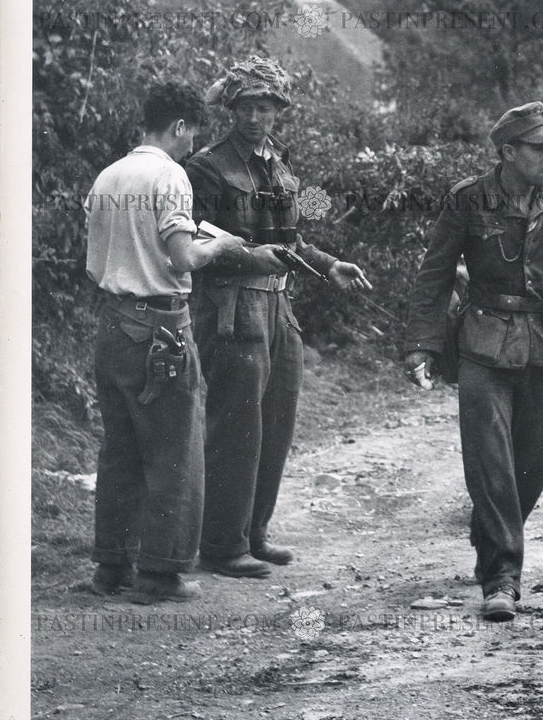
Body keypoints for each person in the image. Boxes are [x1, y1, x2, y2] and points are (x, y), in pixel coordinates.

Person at [402, 101, 543, 621]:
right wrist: (422, 344)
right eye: (539, 148)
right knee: (491, 460)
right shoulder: (468, 199)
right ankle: (501, 577)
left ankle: (489, 529)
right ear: (507, 152)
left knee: (533, 464)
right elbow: (434, 275)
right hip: (484, 343)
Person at [185, 56, 372, 580]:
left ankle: (254, 533)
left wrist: (329, 264)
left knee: (277, 423)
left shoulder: (280, 163)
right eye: (246, 106)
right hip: (231, 309)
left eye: (265, 107)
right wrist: (250, 258)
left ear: (278, 110)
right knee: (237, 426)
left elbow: (291, 242)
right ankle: (221, 544)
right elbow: (192, 242)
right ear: (232, 109)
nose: (254, 117)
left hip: (279, 310)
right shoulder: (206, 166)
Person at [84, 82, 246, 603]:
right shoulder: (170, 175)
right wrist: (219, 242)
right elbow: (182, 258)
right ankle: (161, 573)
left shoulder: (109, 175)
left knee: (121, 450)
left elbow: (99, 258)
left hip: (112, 325)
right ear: (178, 126)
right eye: (191, 134)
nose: (192, 145)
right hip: (160, 328)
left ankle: (112, 567)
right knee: (175, 451)